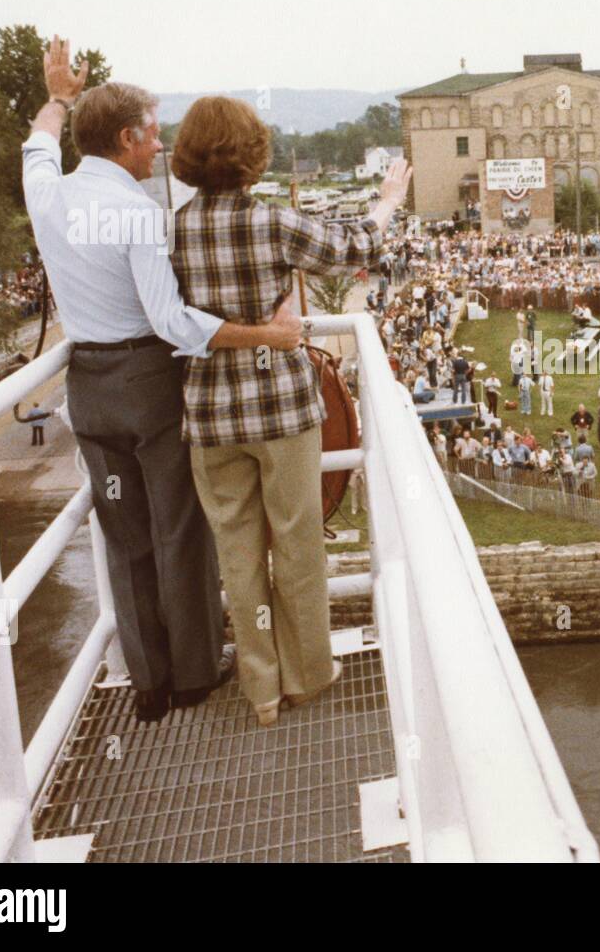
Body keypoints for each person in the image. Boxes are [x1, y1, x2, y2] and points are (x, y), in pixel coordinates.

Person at [21, 38, 303, 724]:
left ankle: (149, 682)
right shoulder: (141, 213)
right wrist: (269, 334)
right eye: (151, 135)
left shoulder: (46, 193)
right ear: (124, 138)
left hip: (88, 389)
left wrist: (58, 95)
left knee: (124, 534)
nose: (159, 148)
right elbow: (173, 322)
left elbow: (35, 142)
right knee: (179, 528)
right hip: (148, 382)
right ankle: (196, 674)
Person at [169, 94, 411, 727]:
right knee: (298, 545)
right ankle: (307, 673)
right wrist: (388, 198)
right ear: (252, 154)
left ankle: (262, 687)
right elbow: (355, 246)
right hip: (280, 406)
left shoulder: (173, 229)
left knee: (238, 554)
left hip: (210, 416)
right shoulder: (272, 221)